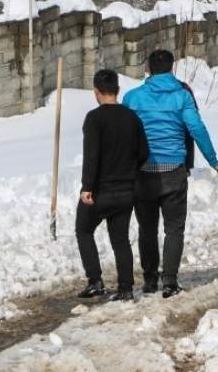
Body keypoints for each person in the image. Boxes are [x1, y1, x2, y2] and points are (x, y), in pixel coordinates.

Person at [123, 49, 218, 298]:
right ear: (172, 69)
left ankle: (150, 280)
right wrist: (214, 161)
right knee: (174, 229)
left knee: (147, 228)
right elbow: (196, 128)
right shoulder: (182, 97)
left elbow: (124, 134)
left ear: (147, 70)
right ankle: (170, 282)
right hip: (173, 170)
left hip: (143, 172)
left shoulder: (132, 98)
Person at [76, 69, 149, 302]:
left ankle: (95, 281)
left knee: (84, 230)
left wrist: (87, 187)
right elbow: (144, 152)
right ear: (118, 90)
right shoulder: (131, 117)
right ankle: (125, 289)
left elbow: (92, 156)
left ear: (96, 92)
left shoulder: (94, 119)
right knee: (120, 240)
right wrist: (130, 171)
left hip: (100, 191)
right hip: (127, 191)